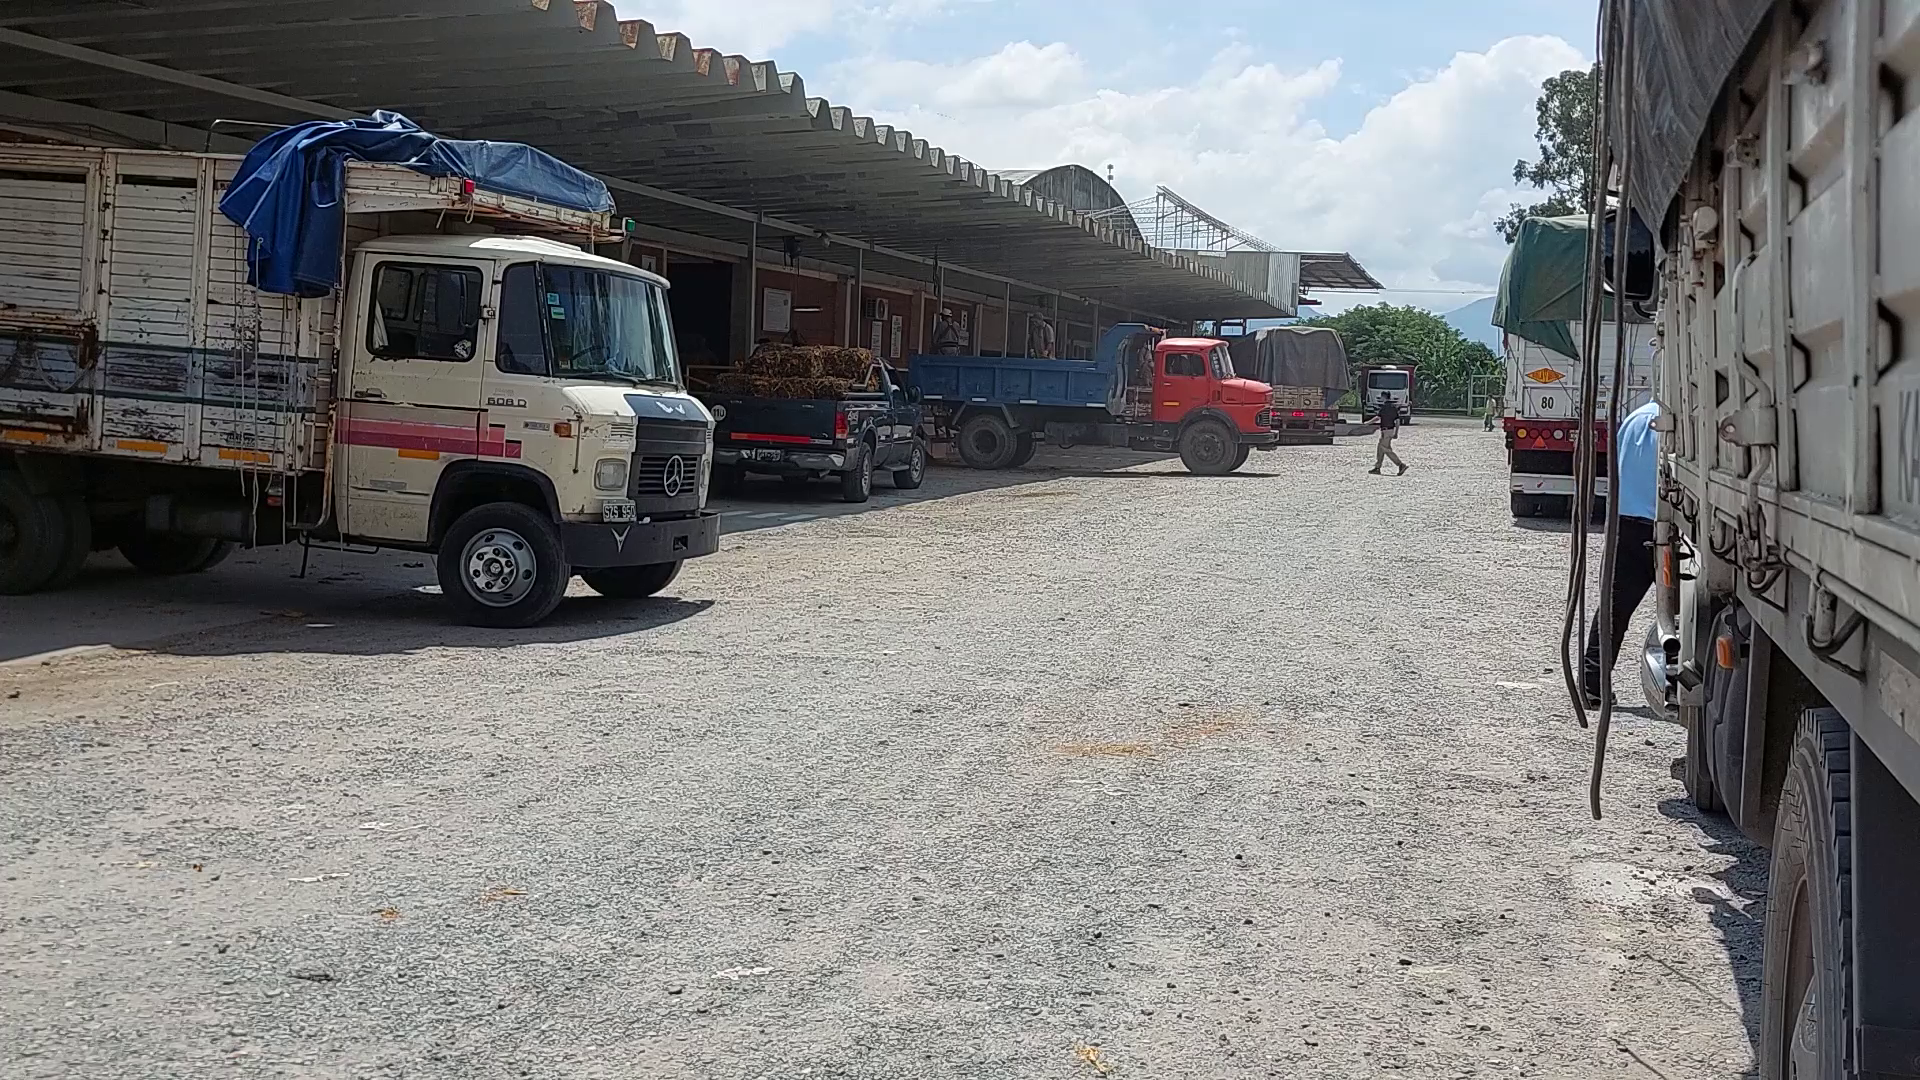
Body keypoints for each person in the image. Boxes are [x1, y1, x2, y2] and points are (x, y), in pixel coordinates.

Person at [1583, 398, 1662, 706]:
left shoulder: (1633, 419)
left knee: (1613, 609)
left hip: (1624, 524)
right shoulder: (1680, 423)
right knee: (1690, 614)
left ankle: (1592, 684)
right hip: (1666, 527)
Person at [1369, 397, 1407, 475]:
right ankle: (1377, 467)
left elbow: (1377, 417)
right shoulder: (1393, 407)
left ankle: (1400, 464)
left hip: (1386, 431)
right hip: (1390, 430)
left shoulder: (1384, 407)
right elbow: (1397, 421)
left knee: (1386, 449)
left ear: (1384, 397)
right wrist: (1396, 432)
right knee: (1380, 449)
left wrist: (1367, 423)